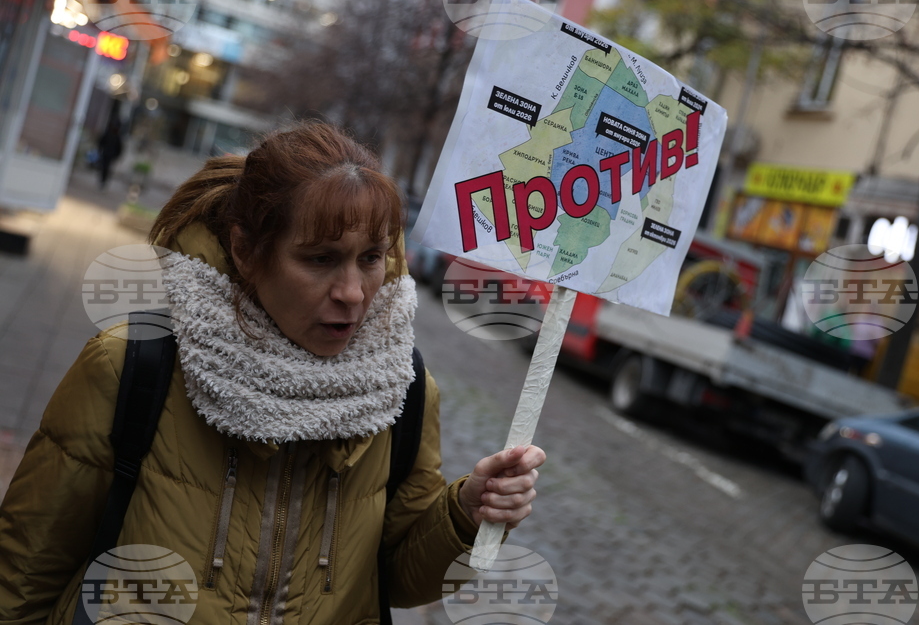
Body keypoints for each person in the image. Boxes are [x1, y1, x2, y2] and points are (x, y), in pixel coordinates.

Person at [0, 122, 546, 624]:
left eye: (371, 258)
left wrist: (463, 515)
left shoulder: (401, 388)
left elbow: (397, 581)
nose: (352, 292)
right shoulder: (134, 365)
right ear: (246, 250)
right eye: (320, 259)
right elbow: (25, 572)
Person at [97, 115, 123, 190]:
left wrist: (117, 155)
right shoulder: (108, 133)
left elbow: (119, 147)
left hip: (110, 155)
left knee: (107, 168)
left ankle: (104, 181)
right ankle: (102, 181)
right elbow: (101, 142)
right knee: (103, 167)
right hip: (105, 153)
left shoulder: (117, 136)